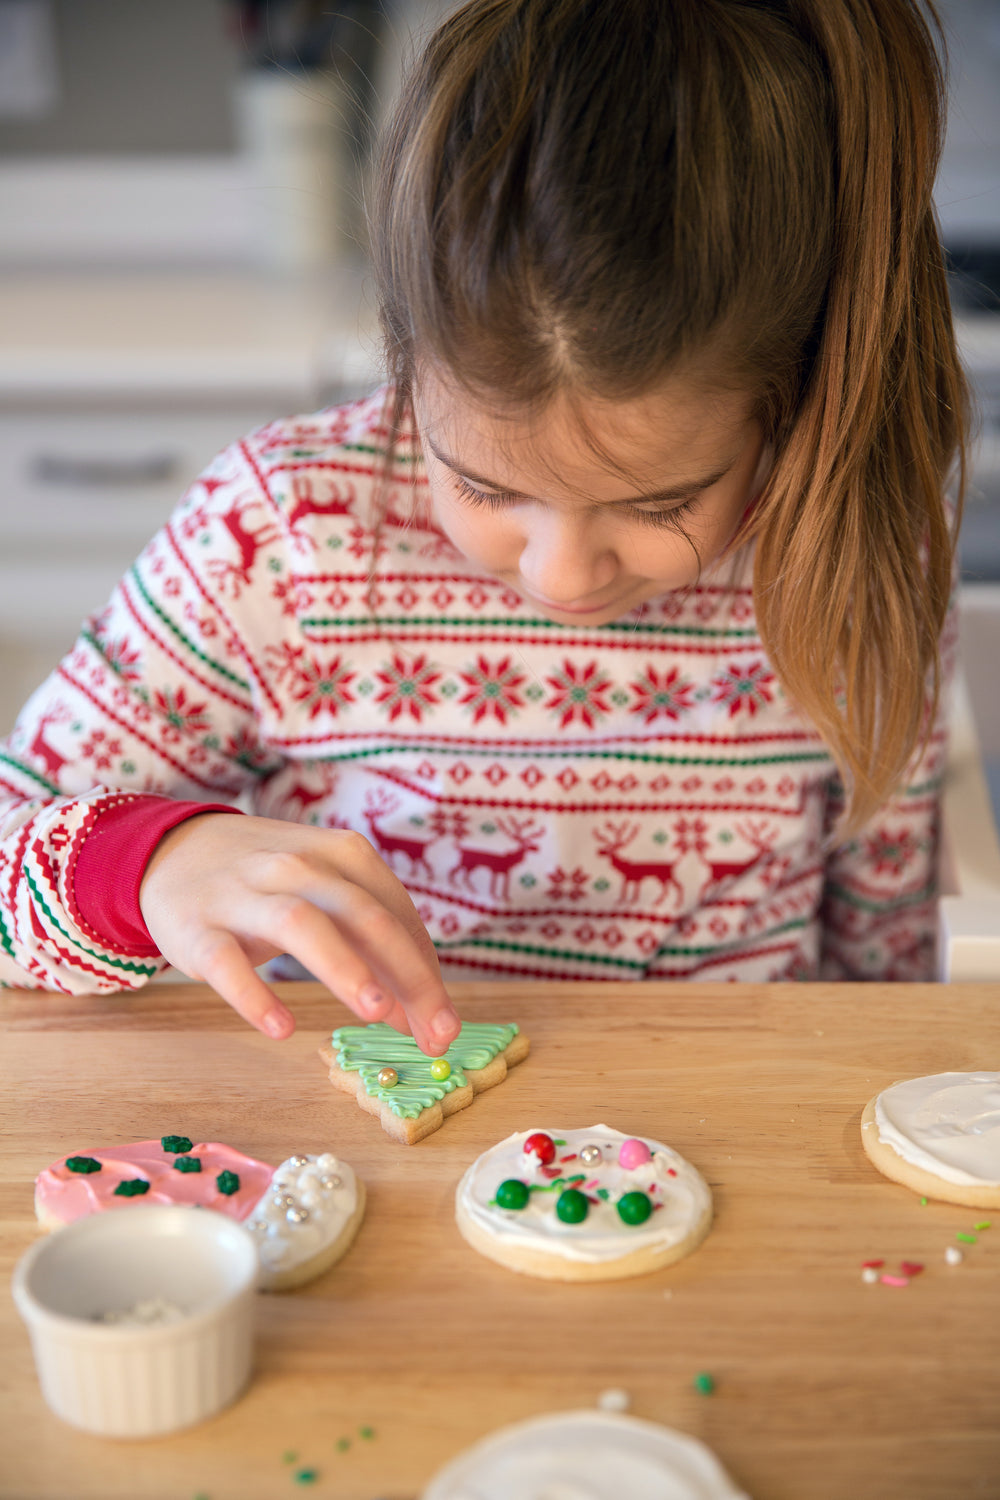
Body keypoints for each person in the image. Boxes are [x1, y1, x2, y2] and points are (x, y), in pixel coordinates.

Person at [0, 0, 968, 1053]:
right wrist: (148, 868)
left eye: (657, 505)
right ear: (404, 358)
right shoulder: (280, 534)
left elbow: (892, 983)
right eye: (485, 486)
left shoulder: (853, 554)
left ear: (791, 401)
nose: (563, 573)